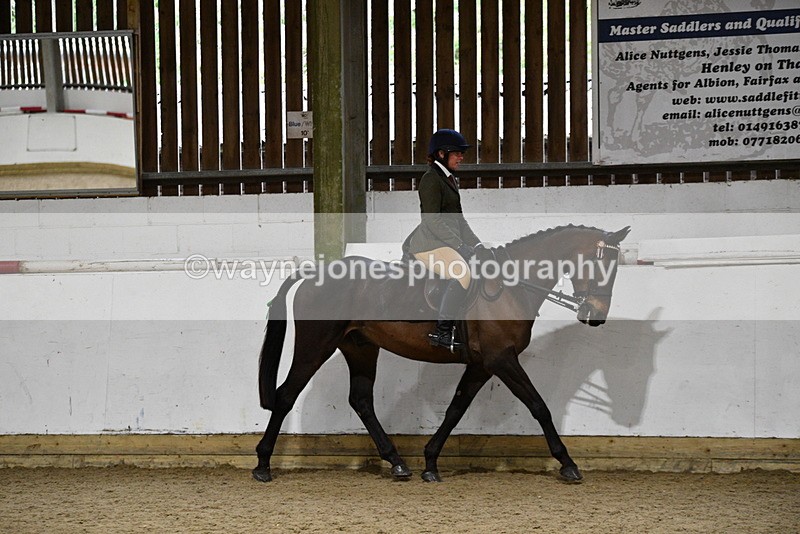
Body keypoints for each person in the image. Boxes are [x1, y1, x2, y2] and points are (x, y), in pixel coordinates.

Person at [404, 128, 482, 352]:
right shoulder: (430, 179)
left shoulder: (448, 179)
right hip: (429, 245)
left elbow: (459, 220)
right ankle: (442, 331)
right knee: (462, 273)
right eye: (457, 153)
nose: (461, 157)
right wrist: (460, 246)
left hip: (445, 242)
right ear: (441, 154)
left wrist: (477, 245)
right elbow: (432, 220)